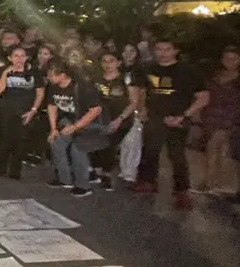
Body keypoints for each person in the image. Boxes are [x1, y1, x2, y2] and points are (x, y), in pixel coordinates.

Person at [131, 38, 208, 209]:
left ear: (175, 51)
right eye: (159, 49)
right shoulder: (147, 68)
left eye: (167, 49)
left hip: (178, 118)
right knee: (150, 150)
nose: (163, 53)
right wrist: (141, 108)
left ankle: (182, 191)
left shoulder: (188, 71)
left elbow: (203, 97)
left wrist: (183, 115)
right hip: (154, 117)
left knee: (177, 155)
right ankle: (148, 181)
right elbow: (139, 90)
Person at [45, 61, 104, 197]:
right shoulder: (54, 87)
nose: (49, 78)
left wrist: (76, 127)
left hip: (90, 123)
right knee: (56, 141)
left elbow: (96, 110)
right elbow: (52, 106)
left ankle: (83, 185)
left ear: (63, 75)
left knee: (78, 149)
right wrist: (53, 128)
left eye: (52, 75)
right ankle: (64, 179)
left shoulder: (82, 87)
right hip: (69, 121)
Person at [194, 47, 240, 197]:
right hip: (211, 117)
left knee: (214, 146)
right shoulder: (216, 77)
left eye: (233, 59)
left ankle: (209, 181)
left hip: (230, 118)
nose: (230, 62)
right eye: (227, 58)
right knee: (219, 149)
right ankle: (217, 182)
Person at [0, 46, 46, 179]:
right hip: (7, 110)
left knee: (21, 141)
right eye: (16, 55)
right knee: (5, 139)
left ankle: (16, 170)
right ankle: (1, 167)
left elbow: (40, 93)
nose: (19, 59)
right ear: (10, 58)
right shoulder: (4, 70)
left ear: (27, 57)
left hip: (26, 111)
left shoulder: (34, 72)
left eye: (22, 55)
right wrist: (6, 73)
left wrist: (33, 110)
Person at [89, 51, 140, 190]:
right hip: (99, 117)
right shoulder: (96, 79)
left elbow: (133, 102)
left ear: (118, 62)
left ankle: (107, 175)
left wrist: (120, 119)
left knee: (108, 144)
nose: (107, 64)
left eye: (111, 61)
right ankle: (96, 171)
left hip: (120, 118)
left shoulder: (126, 79)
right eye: (104, 61)